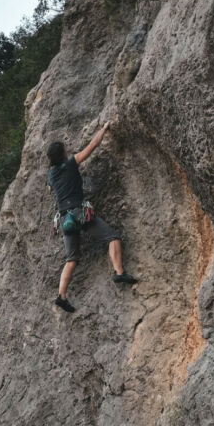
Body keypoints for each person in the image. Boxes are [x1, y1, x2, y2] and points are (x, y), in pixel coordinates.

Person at [47, 120, 137, 313]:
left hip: (64, 219)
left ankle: (62, 295)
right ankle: (119, 272)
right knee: (112, 236)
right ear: (63, 154)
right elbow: (92, 146)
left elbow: (49, 188)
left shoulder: (51, 175)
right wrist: (103, 129)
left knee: (71, 259)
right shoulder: (71, 164)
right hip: (79, 214)